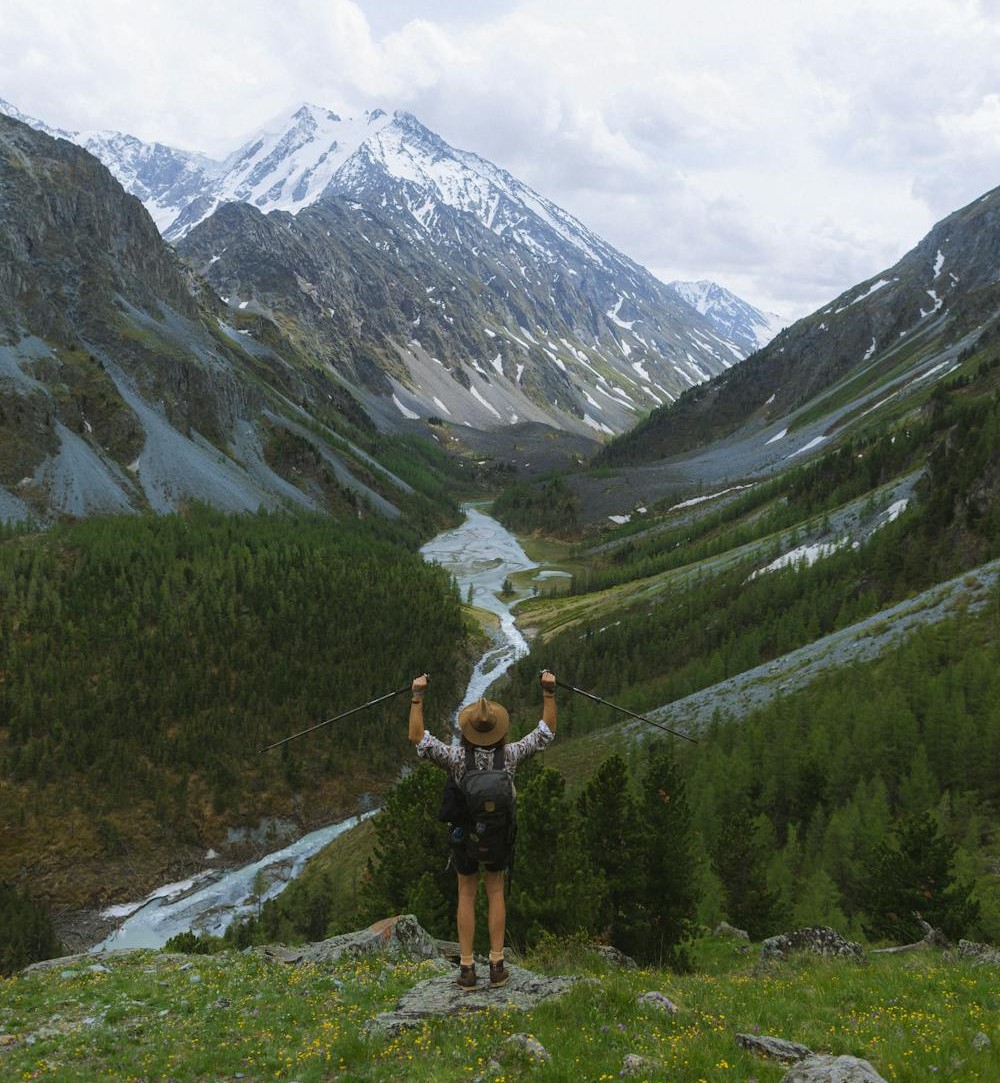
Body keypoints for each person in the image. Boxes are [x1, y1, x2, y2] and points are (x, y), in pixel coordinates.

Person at [408, 670, 557, 990]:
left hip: (466, 837)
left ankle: (466, 969)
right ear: (498, 731)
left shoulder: (457, 758)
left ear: (468, 731)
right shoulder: (511, 755)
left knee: (466, 893)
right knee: (495, 892)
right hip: (499, 836)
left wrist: (417, 696)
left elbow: (418, 738)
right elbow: (546, 733)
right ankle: (497, 964)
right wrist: (548, 692)